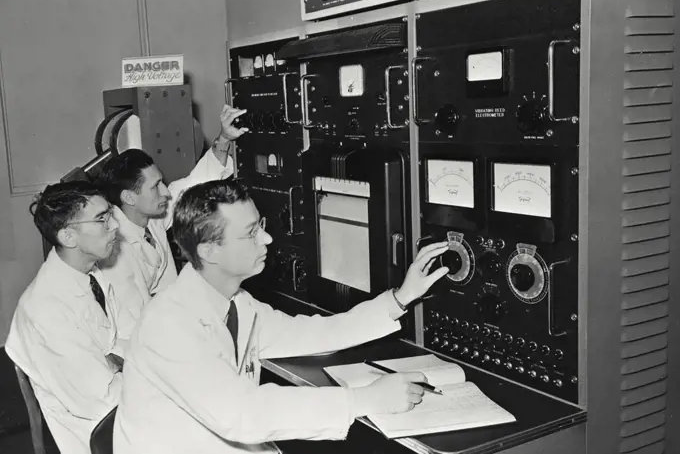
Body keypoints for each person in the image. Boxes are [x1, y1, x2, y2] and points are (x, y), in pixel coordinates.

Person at [114, 178, 451, 454]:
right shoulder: (170, 325)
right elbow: (241, 415)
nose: (267, 238)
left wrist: (402, 297)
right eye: (250, 233)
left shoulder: (236, 303)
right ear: (209, 250)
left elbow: (317, 334)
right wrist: (366, 399)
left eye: (259, 225)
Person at [96, 104, 247, 336]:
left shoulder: (149, 214)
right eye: (156, 186)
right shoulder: (113, 252)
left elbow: (196, 182)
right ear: (129, 198)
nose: (166, 192)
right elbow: (137, 326)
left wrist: (225, 138)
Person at [5, 181, 124, 454]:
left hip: (122, 409)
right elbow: (101, 401)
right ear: (68, 237)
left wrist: (117, 362)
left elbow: (120, 345)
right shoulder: (46, 308)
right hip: (98, 435)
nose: (115, 225)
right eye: (102, 219)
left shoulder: (91, 276)